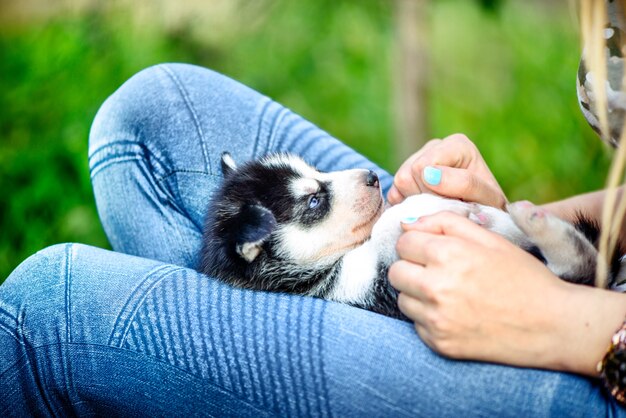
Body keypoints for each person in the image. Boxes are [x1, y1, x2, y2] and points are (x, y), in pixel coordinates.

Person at [1, 5, 626, 418]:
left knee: (45, 312)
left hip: (593, 366)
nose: (362, 180)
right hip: (595, 283)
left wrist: (562, 319)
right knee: (146, 119)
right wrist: (517, 224)